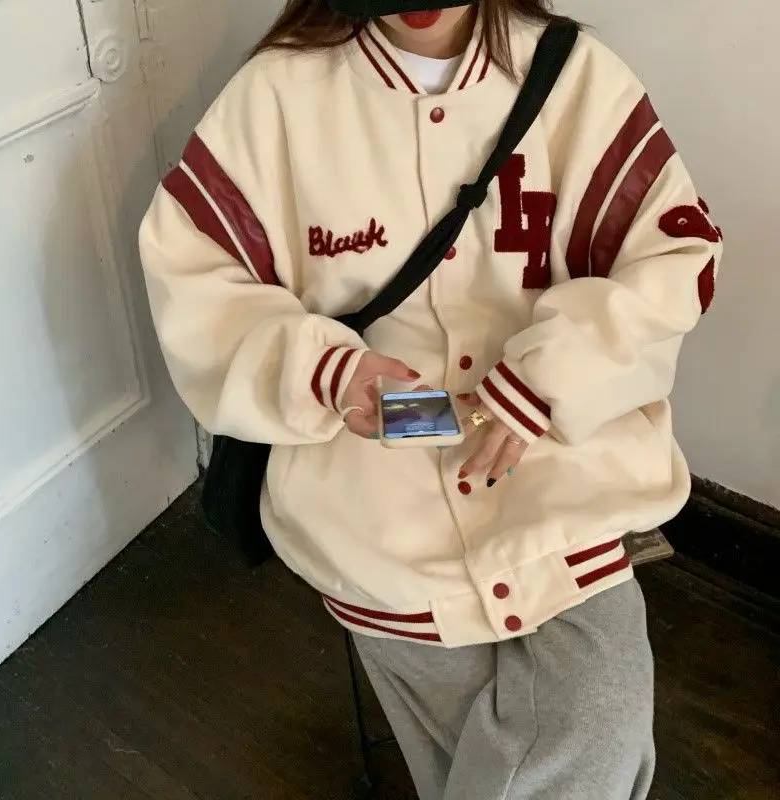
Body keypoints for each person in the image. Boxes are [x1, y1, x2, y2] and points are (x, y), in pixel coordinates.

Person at [138, 1, 723, 797]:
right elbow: (197, 282)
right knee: (555, 762)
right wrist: (324, 370)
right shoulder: (276, 96)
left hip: (559, 468)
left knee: (596, 722)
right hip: (376, 494)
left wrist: (552, 372)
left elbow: (676, 254)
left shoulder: (574, 77)